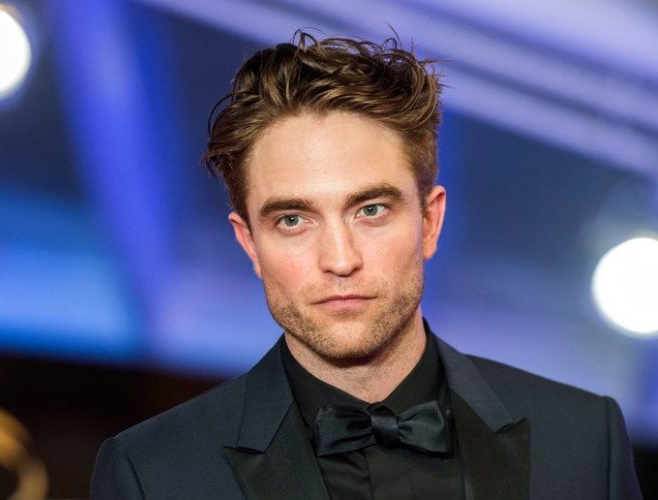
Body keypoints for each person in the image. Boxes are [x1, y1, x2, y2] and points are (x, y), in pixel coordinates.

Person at [90, 32, 642, 499]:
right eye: (292, 220)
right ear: (250, 244)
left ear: (430, 221)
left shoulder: (582, 439)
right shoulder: (153, 473)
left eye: (371, 210)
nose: (340, 260)